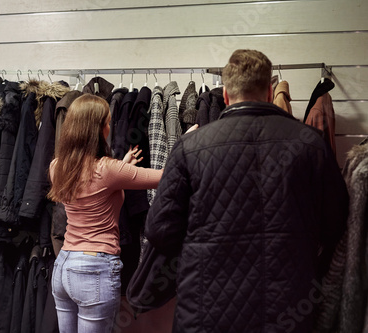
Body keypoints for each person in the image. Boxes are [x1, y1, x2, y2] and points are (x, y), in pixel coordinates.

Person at [143, 49, 349, 333]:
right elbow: (336, 224)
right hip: (287, 306)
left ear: (225, 95)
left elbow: (159, 230)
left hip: (206, 308)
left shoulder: (191, 147)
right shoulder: (309, 143)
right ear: (269, 91)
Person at [47, 93, 163, 333]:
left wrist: (123, 167)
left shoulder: (57, 166)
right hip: (93, 269)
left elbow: (92, 184)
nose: (110, 128)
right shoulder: (108, 169)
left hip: (64, 266)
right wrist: (189, 142)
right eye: (107, 123)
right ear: (97, 129)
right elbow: (164, 177)